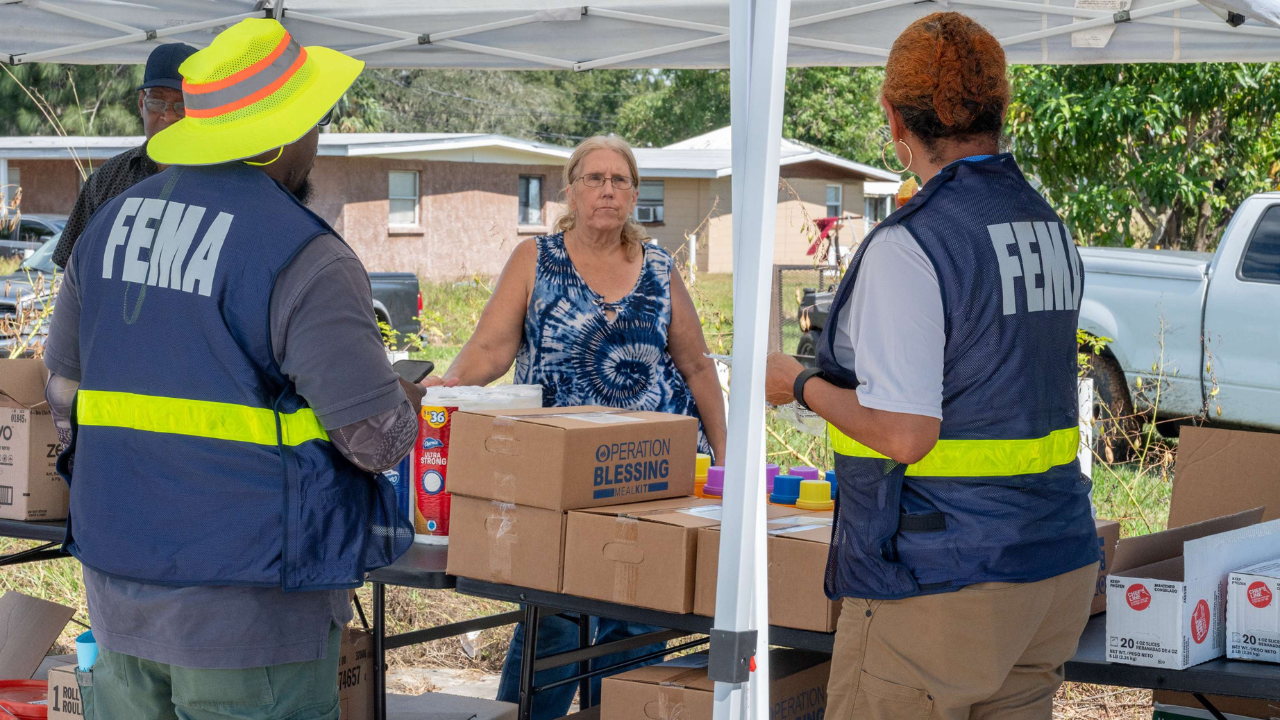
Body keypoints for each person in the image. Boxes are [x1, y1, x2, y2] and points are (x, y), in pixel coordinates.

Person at [43, 18, 420, 719]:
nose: (319, 138)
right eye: (313, 122)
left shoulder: (108, 227)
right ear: (278, 136)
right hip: (252, 613)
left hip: (119, 584)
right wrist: (403, 399)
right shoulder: (305, 254)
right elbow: (374, 439)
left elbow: (62, 391)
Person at [765, 13, 1099, 720]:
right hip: (1053, 564)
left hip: (943, 582)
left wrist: (796, 383)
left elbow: (906, 434)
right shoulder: (1046, 225)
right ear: (1001, 108)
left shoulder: (912, 244)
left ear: (893, 117)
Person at [431, 134, 727, 718]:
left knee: (633, 615)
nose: (608, 190)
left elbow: (696, 366)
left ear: (635, 194)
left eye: (620, 180)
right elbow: (491, 349)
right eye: (595, 178)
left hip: (651, 479)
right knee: (554, 618)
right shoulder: (536, 259)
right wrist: (441, 393)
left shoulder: (660, 268)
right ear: (570, 189)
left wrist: (727, 458)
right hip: (557, 478)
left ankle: (614, 711)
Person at [52, 42, 197, 269]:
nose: (168, 116)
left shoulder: (222, 180)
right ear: (141, 103)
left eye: (182, 105)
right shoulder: (107, 179)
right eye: (157, 102)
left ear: (201, 109)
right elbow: (70, 265)